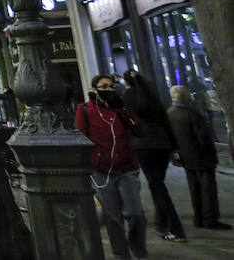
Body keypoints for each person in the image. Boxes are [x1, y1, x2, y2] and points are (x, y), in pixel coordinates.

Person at [76, 74, 148, 259]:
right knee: (113, 217)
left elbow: (140, 131)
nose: (108, 89)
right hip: (101, 171)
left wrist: (123, 110)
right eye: (103, 86)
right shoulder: (85, 109)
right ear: (94, 89)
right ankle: (121, 253)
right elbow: (81, 137)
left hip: (126, 167)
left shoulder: (120, 108)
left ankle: (138, 247)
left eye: (110, 86)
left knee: (135, 214)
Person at [122, 70, 185, 242]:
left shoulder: (127, 97)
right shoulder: (151, 96)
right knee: (158, 185)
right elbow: (165, 121)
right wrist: (175, 147)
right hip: (162, 144)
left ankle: (176, 228)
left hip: (142, 145)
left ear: (126, 83)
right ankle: (162, 221)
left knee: (158, 187)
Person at [169, 84, 231, 230]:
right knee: (207, 189)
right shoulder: (193, 114)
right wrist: (211, 154)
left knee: (194, 188)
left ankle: (198, 217)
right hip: (201, 157)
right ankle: (210, 218)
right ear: (186, 97)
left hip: (185, 157)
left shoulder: (170, 113)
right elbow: (203, 137)